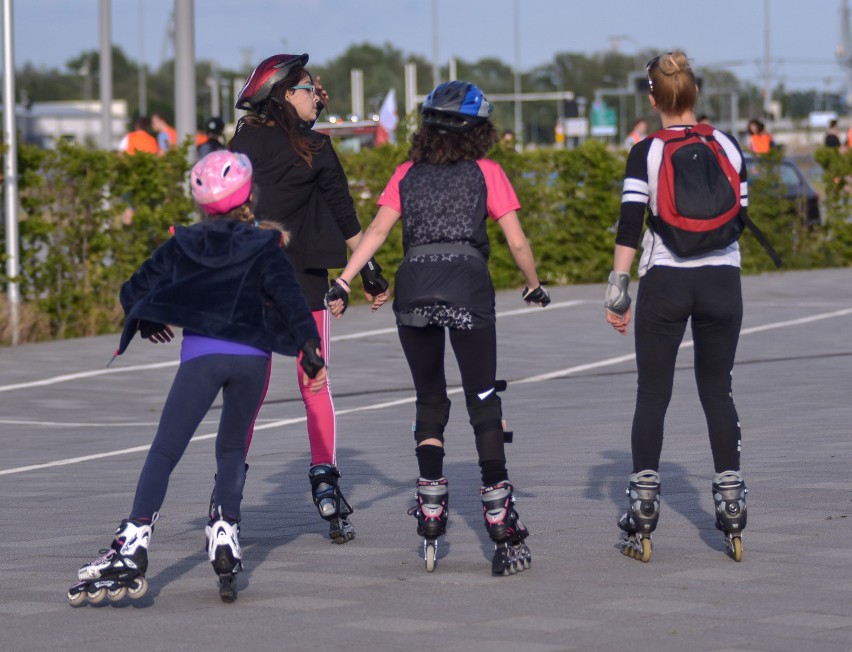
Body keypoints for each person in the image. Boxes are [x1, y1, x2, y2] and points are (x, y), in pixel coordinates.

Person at [67, 151, 327, 605]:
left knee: (166, 449)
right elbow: (289, 298)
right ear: (248, 195)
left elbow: (134, 289)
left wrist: (147, 321)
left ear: (201, 201)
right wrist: (309, 349)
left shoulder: (183, 242)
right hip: (252, 359)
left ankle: (132, 544)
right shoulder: (266, 244)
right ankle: (225, 531)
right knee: (230, 447)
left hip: (202, 357)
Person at [324, 80, 551, 576]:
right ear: (480, 130)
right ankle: (499, 514)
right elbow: (516, 240)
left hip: (415, 286)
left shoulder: (405, 173)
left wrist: (342, 281)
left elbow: (379, 231)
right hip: (468, 286)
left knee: (430, 398)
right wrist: (533, 285)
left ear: (427, 127)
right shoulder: (487, 172)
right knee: (483, 397)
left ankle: (430, 506)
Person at [229, 53, 390, 544]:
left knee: (248, 395)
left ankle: (227, 494)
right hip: (301, 283)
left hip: (250, 280)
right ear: (284, 94)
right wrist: (372, 274)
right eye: (307, 88)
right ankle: (325, 483)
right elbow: (346, 218)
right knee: (314, 386)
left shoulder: (243, 141)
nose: (316, 95)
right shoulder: (316, 147)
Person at [605, 51, 748, 564]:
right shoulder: (728, 145)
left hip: (666, 281)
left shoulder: (646, 150)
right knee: (718, 390)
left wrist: (618, 292)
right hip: (722, 282)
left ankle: (643, 511)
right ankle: (731, 506)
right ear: (694, 94)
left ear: (652, 98)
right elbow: (739, 217)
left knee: (653, 393)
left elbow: (629, 227)